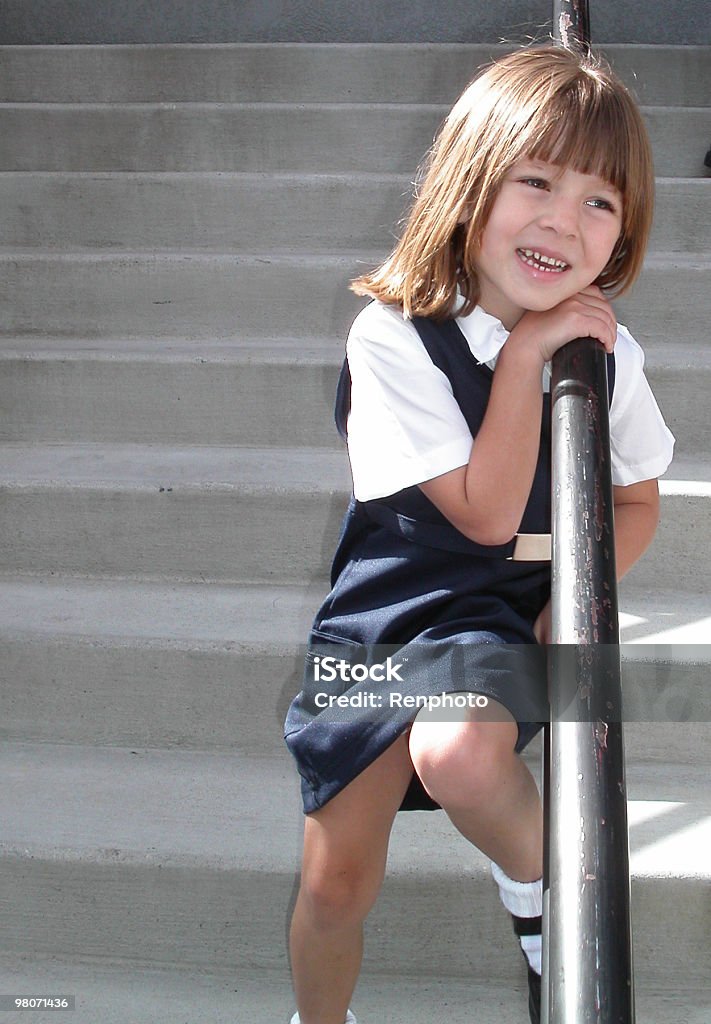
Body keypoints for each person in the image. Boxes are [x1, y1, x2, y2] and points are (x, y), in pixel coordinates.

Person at [284, 45, 675, 1024]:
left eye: (600, 201)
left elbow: (638, 500)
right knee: (335, 882)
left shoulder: (610, 351)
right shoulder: (394, 335)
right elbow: (482, 510)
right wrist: (529, 354)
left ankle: (542, 887)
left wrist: (566, 612)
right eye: (535, 180)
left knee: (459, 752)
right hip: (389, 616)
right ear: (471, 180)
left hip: (510, 614)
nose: (561, 220)